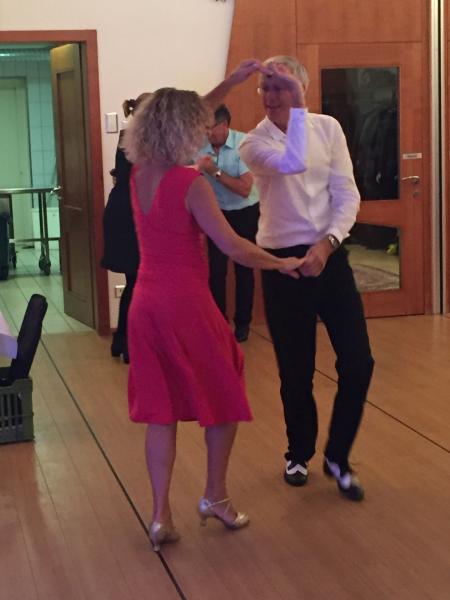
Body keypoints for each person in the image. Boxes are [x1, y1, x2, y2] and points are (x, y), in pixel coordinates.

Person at [122, 86, 303, 552]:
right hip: (186, 303)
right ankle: (215, 496)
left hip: (145, 303)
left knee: (161, 411)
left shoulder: (139, 175)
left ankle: (159, 515)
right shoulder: (191, 184)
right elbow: (233, 246)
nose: (204, 132)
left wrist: (234, 79)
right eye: (197, 126)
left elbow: (179, 109)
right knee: (224, 393)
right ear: (182, 130)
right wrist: (282, 262)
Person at [208, 56, 374, 501]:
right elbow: (293, 163)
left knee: (359, 361)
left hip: (329, 254)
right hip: (282, 263)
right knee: (296, 369)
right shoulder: (253, 144)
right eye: (266, 86)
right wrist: (298, 103)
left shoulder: (329, 128)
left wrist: (328, 243)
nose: (271, 94)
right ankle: (298, 451)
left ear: (302, 86)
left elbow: (346, 193)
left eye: (281, 85)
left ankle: (337, 456)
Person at [197, 104, 260, 343]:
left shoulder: (244, 144)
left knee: (244, 269)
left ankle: (243, 324)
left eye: (210, 127)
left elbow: (245, 189)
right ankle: (219, 324)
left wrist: (214, 171)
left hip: (245, 212)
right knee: (216, 271)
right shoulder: (199, 147)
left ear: (224, 125)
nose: (207, 133)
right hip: (216, 213)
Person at [101, 93, 151, 363]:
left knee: (134, 280)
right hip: (130, 214)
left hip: (121, 210)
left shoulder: (127, 136)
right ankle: (129, 343)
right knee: (137, 281)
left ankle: (121, 340)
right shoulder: (141, 139)